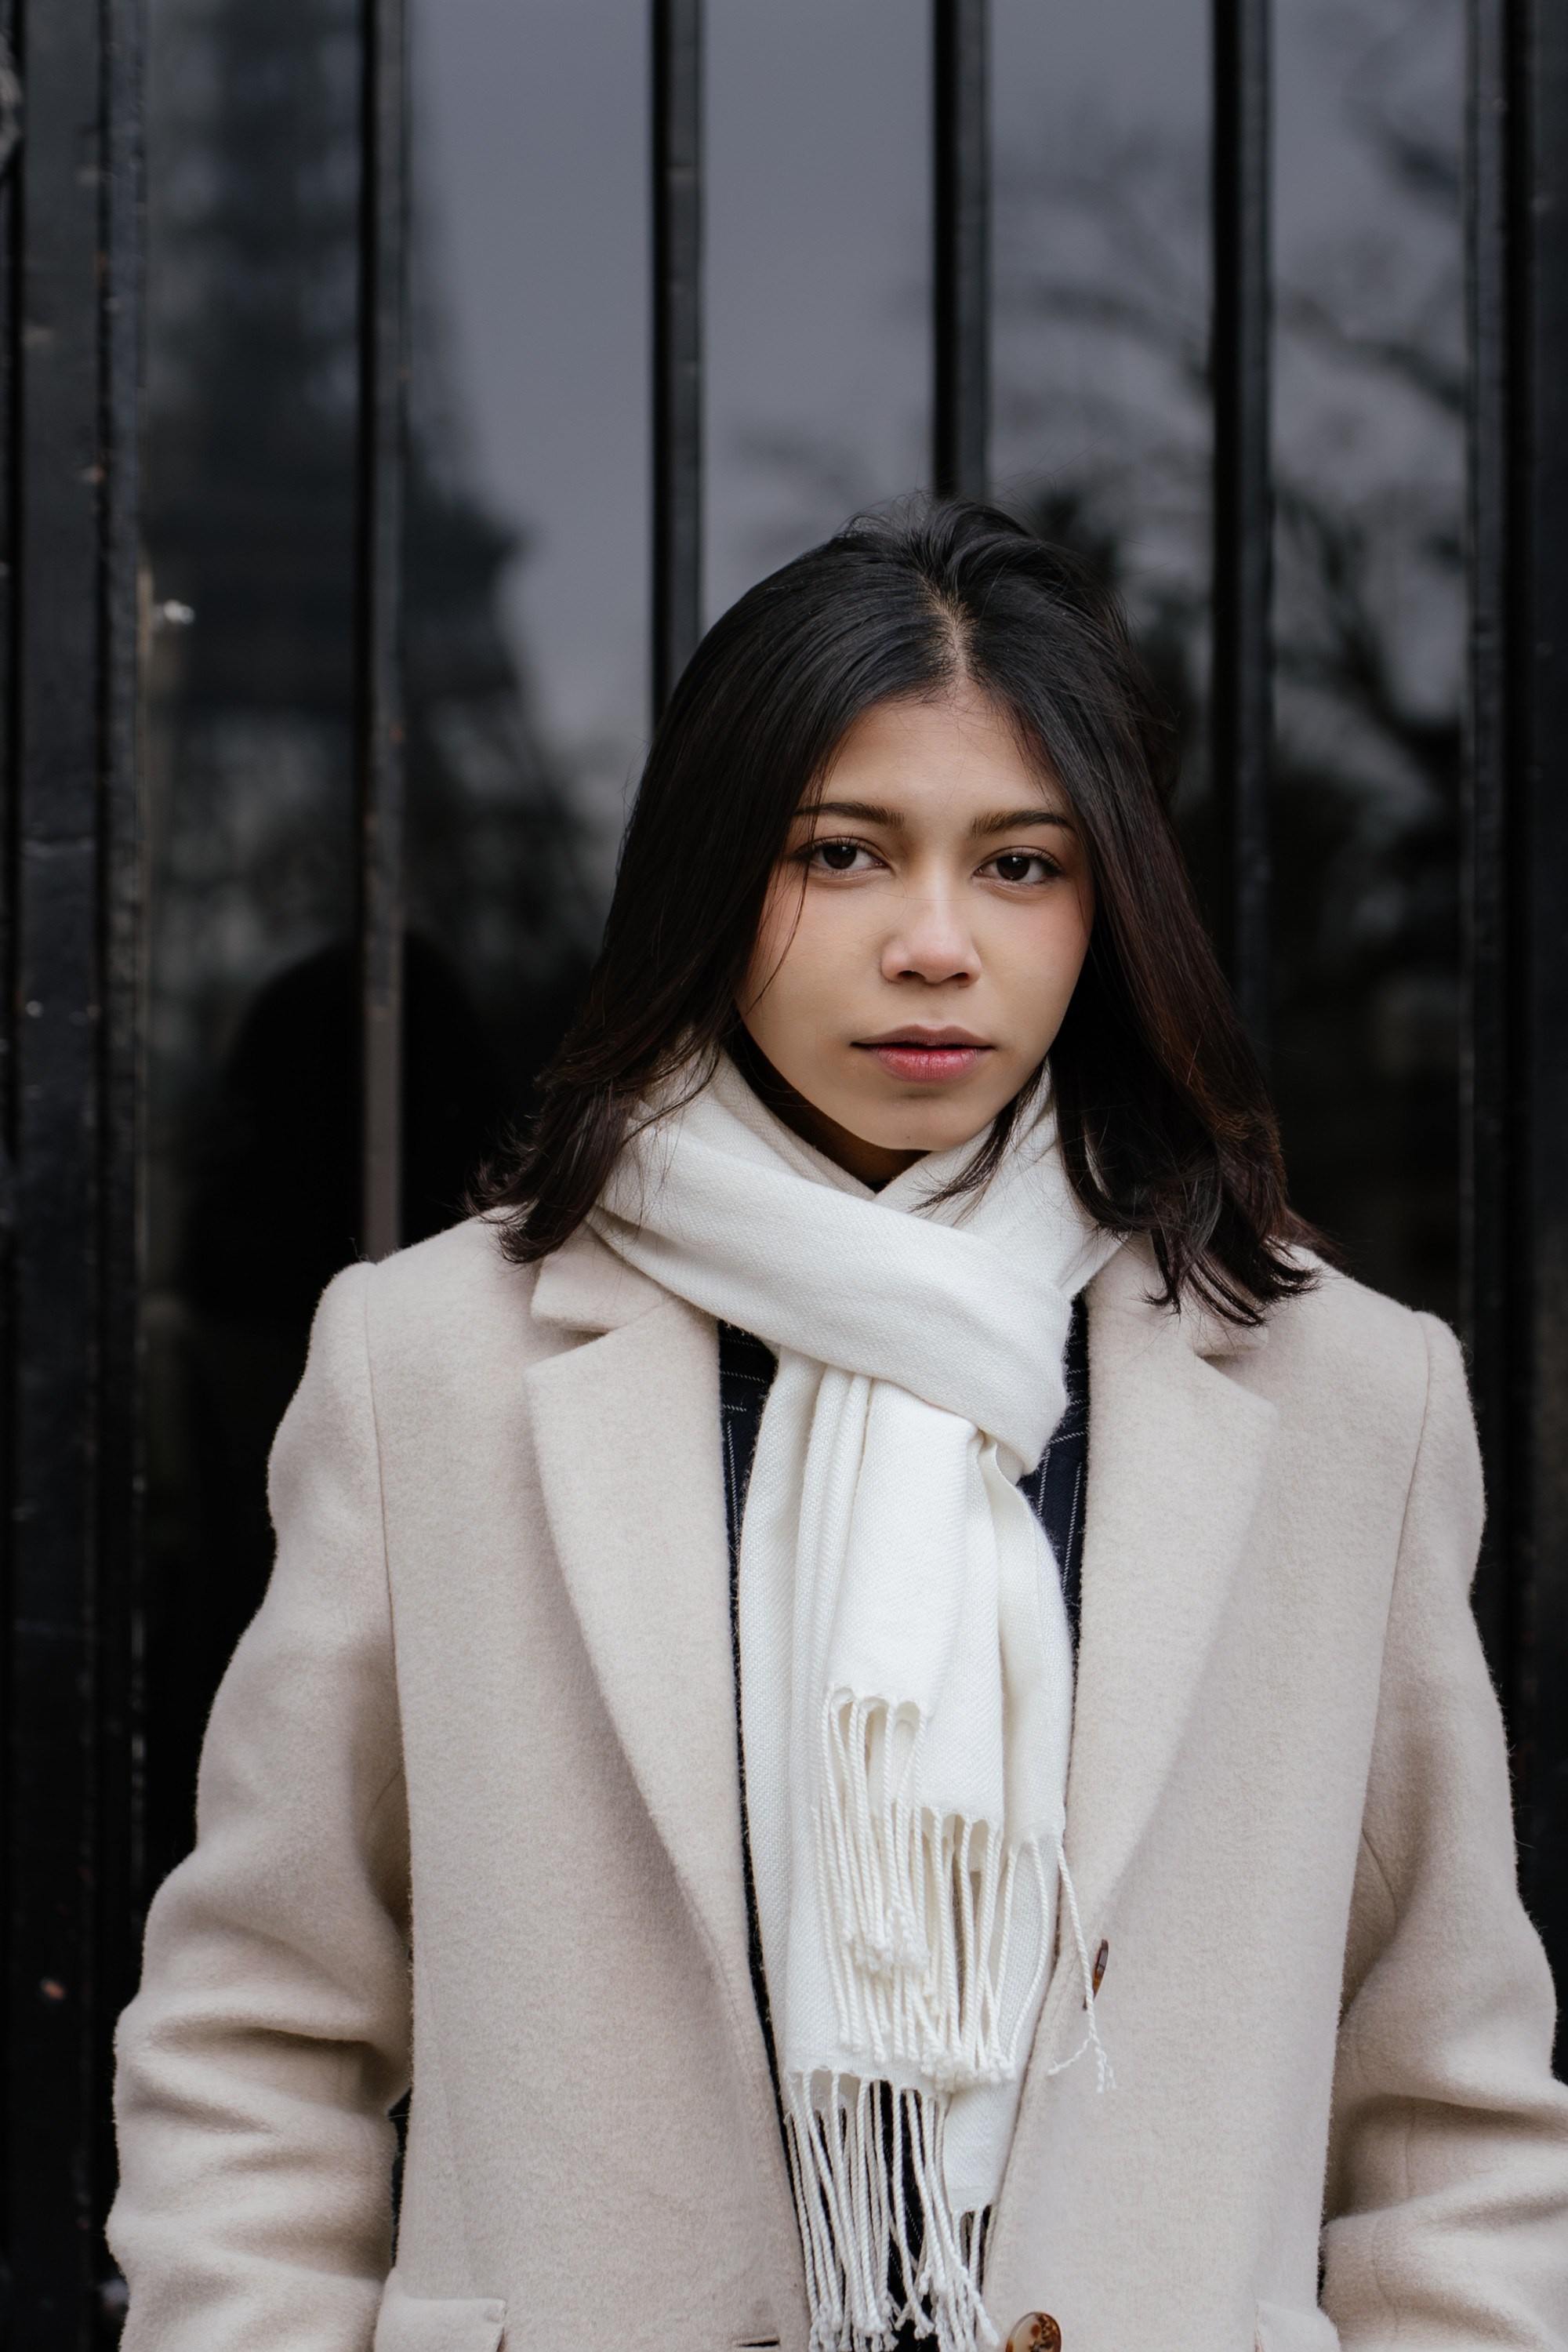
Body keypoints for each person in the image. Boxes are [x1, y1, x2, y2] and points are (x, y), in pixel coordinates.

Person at [108, 503, 1568, 2352]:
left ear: (1109, 903)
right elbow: (261, 2025)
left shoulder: (1344, 1396)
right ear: (718, 877)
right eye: (845, 855)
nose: (936, 943)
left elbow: (1447, 2094)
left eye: (1022, 865)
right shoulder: (431, 1369)